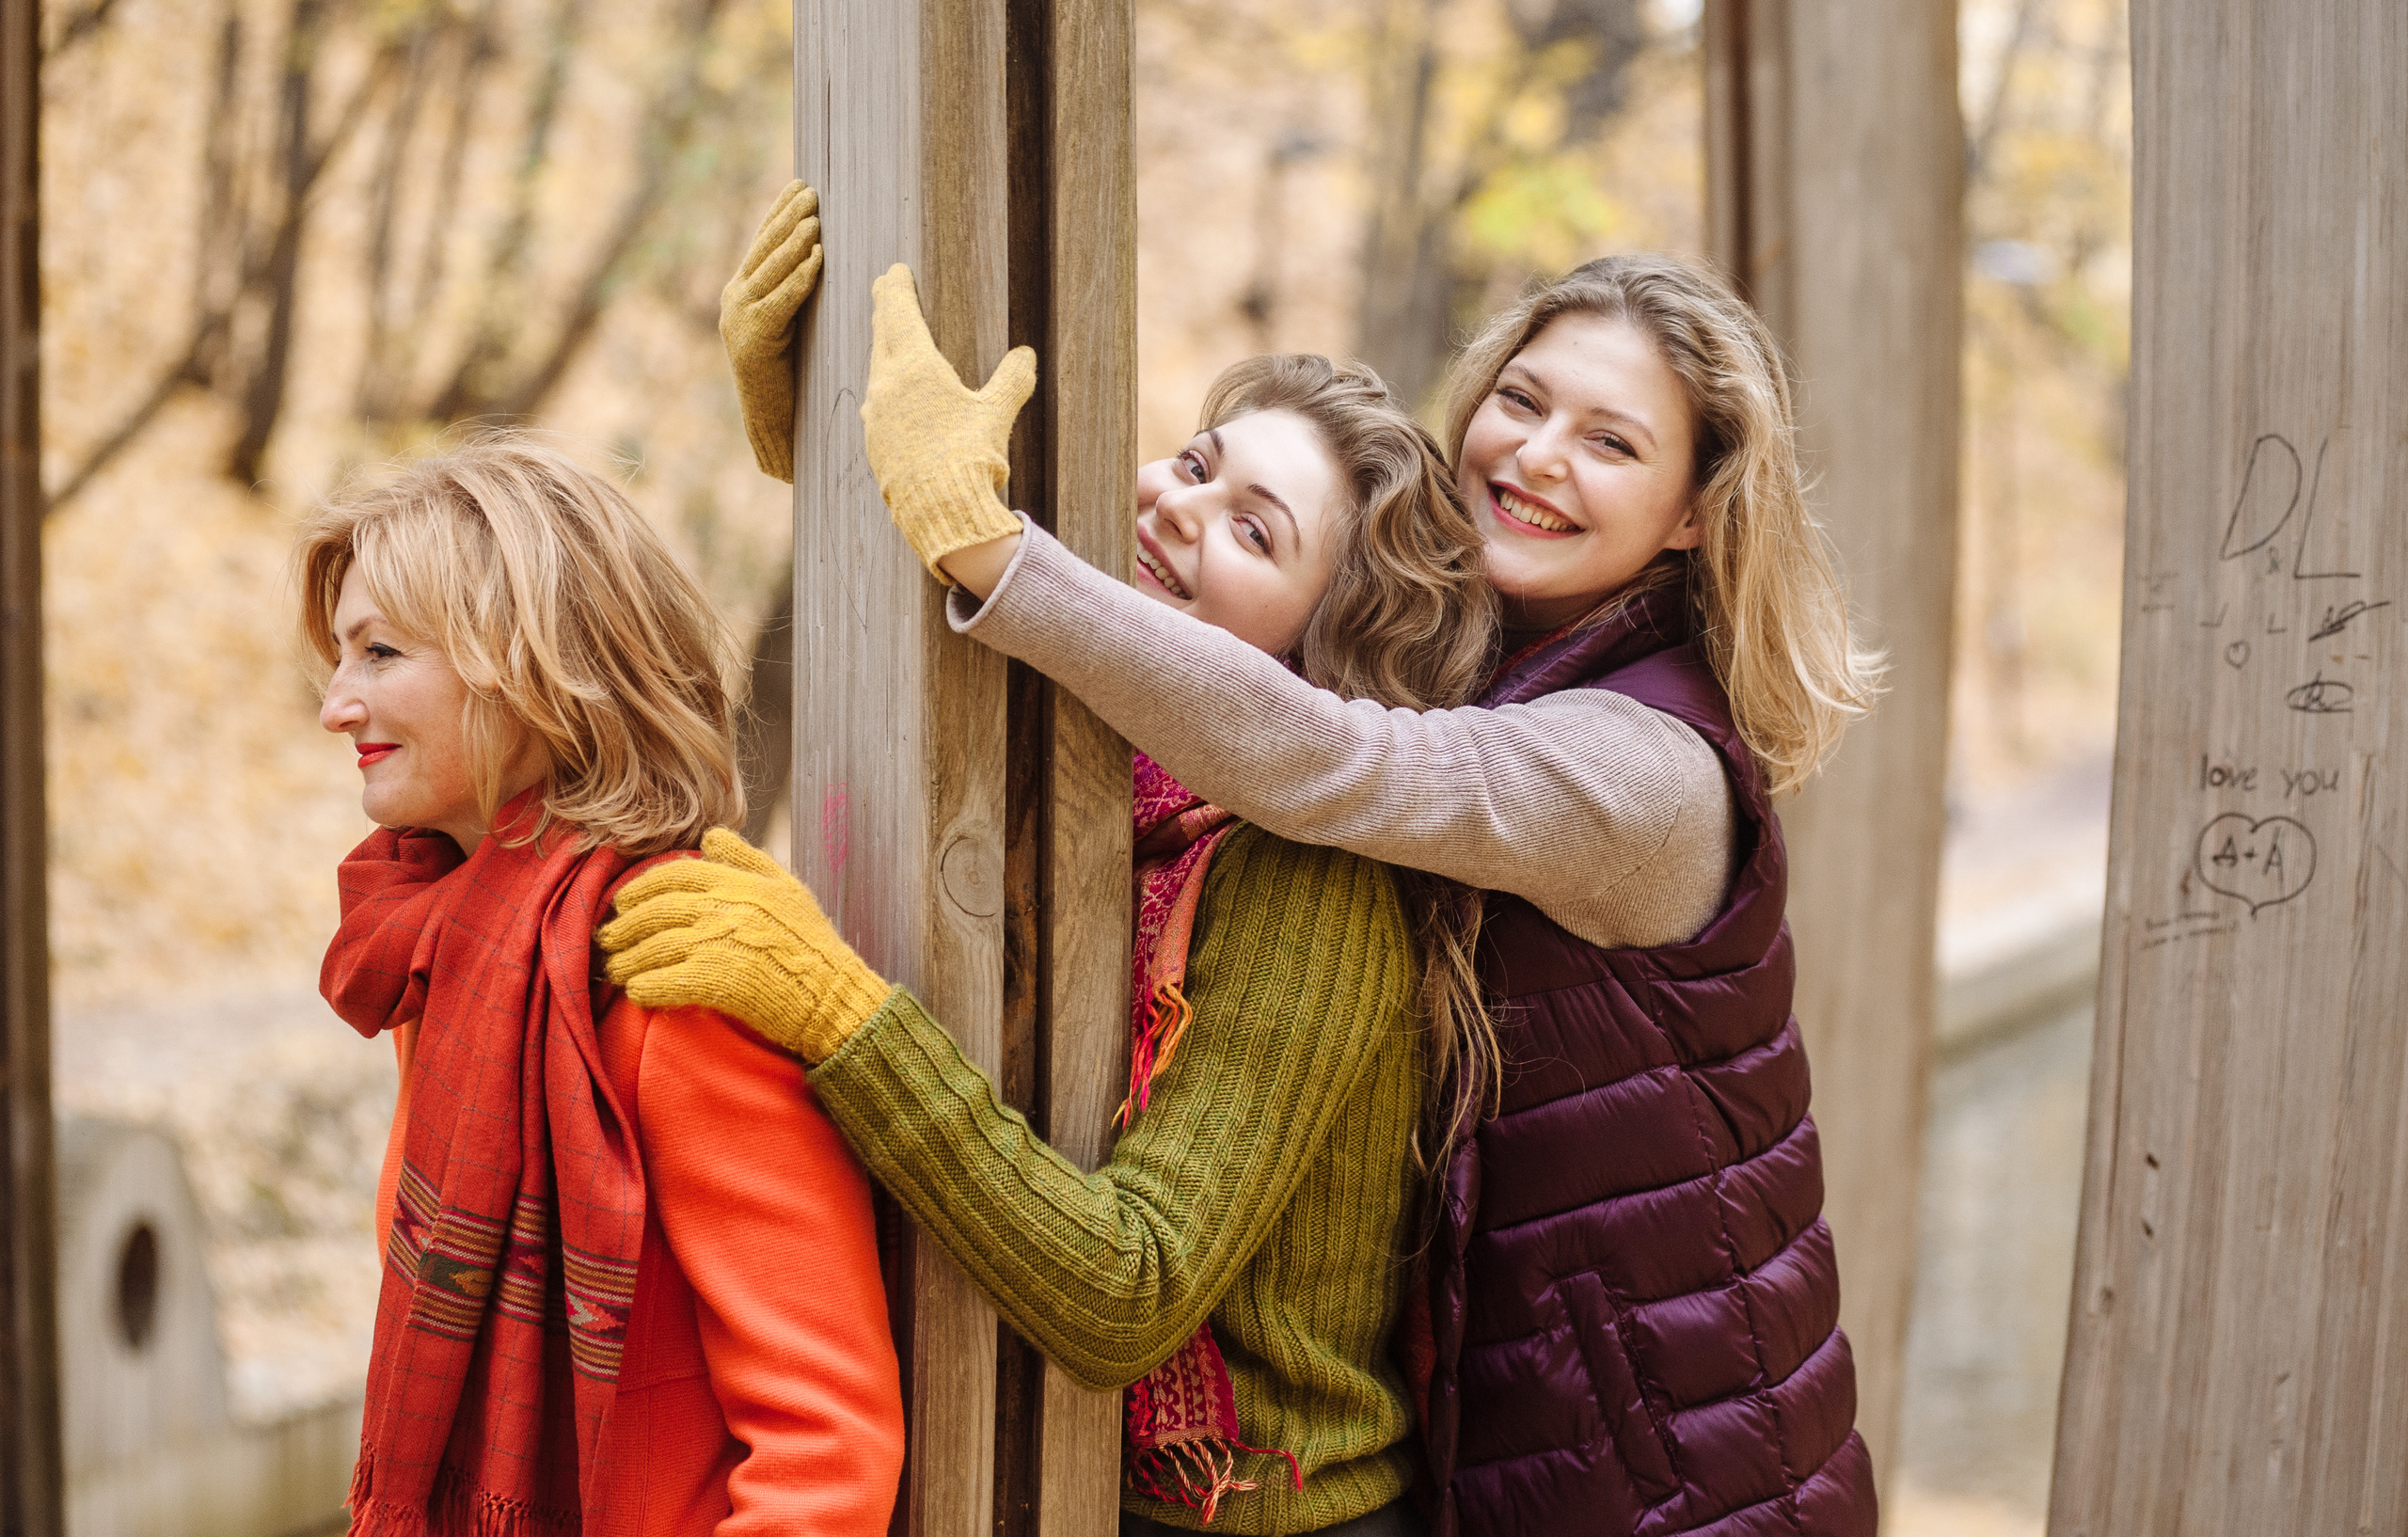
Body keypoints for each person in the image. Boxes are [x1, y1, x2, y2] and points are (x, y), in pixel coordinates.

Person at [682, 191, 1885, 1537]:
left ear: (1693, 517)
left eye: (1610, 441)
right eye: (1523, 400)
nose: (1539, 455)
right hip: (1511, 1409)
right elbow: (1118, 670)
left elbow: (1334, 760)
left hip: (1680, 1459)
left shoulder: (1638, 771)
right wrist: (824, 448)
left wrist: (984, 542)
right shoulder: (1458, 650)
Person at [603, 326, 1504, 1536]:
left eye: (1254, 530)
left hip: (1249, 1517)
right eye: (1195, 467)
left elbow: (1130, 1291)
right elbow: (968, 641)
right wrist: (815, 440)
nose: (1184, 512)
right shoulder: (1105, 767)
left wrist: (837, 1013)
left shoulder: (1309, 888)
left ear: (1317, 648)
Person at [302, 436, 904, 1537]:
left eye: (380, 653)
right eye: (340, 660)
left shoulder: (669, 976)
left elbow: (827, 1456)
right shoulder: (461, 962)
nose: (337, 704)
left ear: (529, 666)